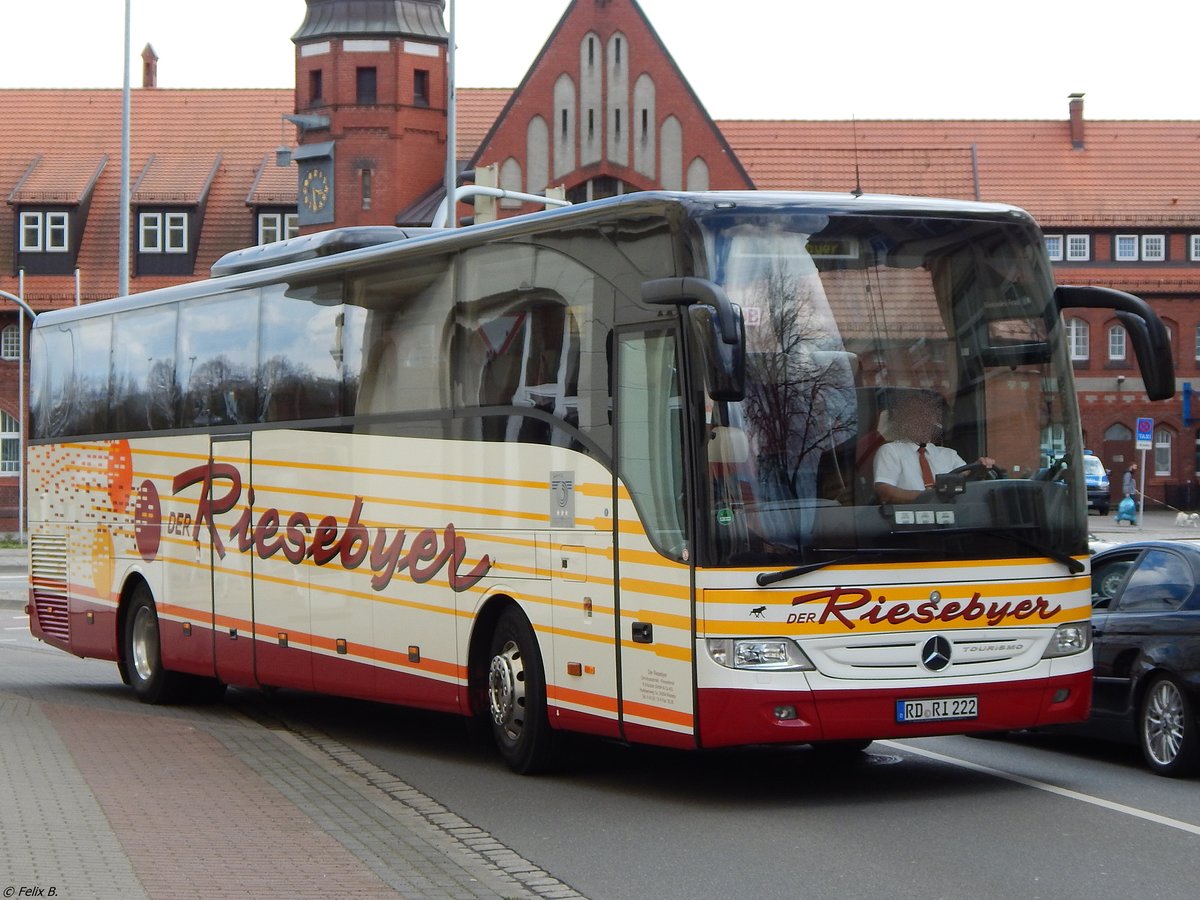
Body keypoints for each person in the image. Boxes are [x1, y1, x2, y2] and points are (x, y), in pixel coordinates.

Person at [872, 390, 996, 504]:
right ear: (905, 420)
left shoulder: (949, 455)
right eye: (917, 414)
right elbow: (884, 491)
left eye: (929, 414)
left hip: (950, 521)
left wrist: (979, 469)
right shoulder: (891, 451)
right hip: (909, 524)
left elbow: (965, 478)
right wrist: (928, 497)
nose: (924, 420)